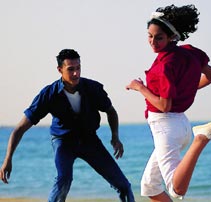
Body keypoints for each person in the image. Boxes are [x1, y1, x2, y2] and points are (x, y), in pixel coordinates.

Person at [0, 49, 135, 202]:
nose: (76, 73)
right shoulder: (49, 94)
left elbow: (111, 112)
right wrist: (8, 159)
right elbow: (19, 129)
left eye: (78, 68)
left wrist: (115, 137)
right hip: (63, 141)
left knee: (124, 185)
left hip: (90, 140)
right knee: (64, 180)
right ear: (60, 70)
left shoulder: (92, 88)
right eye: (71, 69)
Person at [126, 4, 211, 201]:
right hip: (179, 125)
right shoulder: (189, 52)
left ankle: (201, 140)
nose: (153, 42)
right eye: (150, 36)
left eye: (159, 37)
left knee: (176, 188)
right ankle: (197, 138)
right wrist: (186, 89)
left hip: (166, 127)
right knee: (149, 186)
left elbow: (164, 106)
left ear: (171, 36)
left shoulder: (163, 66)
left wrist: (139, 87)